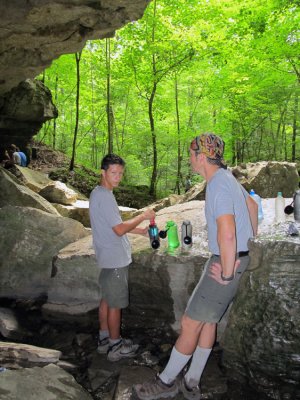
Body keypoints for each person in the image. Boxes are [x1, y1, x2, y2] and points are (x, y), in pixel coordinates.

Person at [133, 133, 258, 400]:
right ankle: (192, 381)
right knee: (208, 321)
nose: (189, 159)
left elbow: (226, 232)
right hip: (236, 257)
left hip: (226, 261)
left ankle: (166, 382)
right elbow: (251, 205)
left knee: (190, 322)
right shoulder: (229, 178)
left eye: (191, 155)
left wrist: (226, 272)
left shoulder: (216, 185)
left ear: (201, 157)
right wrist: (247, 248)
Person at [89, 153, 156, 362]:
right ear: (103, 172)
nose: (117, 177)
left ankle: (104, 339)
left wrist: (139, 231)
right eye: (113, 173)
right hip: (115, 258)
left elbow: (113, 224)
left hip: (107, 256)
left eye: (120, 173)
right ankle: (116, 345)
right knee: (115, 304)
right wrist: (142, 216)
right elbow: (118, 229)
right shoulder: (105, 196)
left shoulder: (99, 193)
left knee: (107, 300)